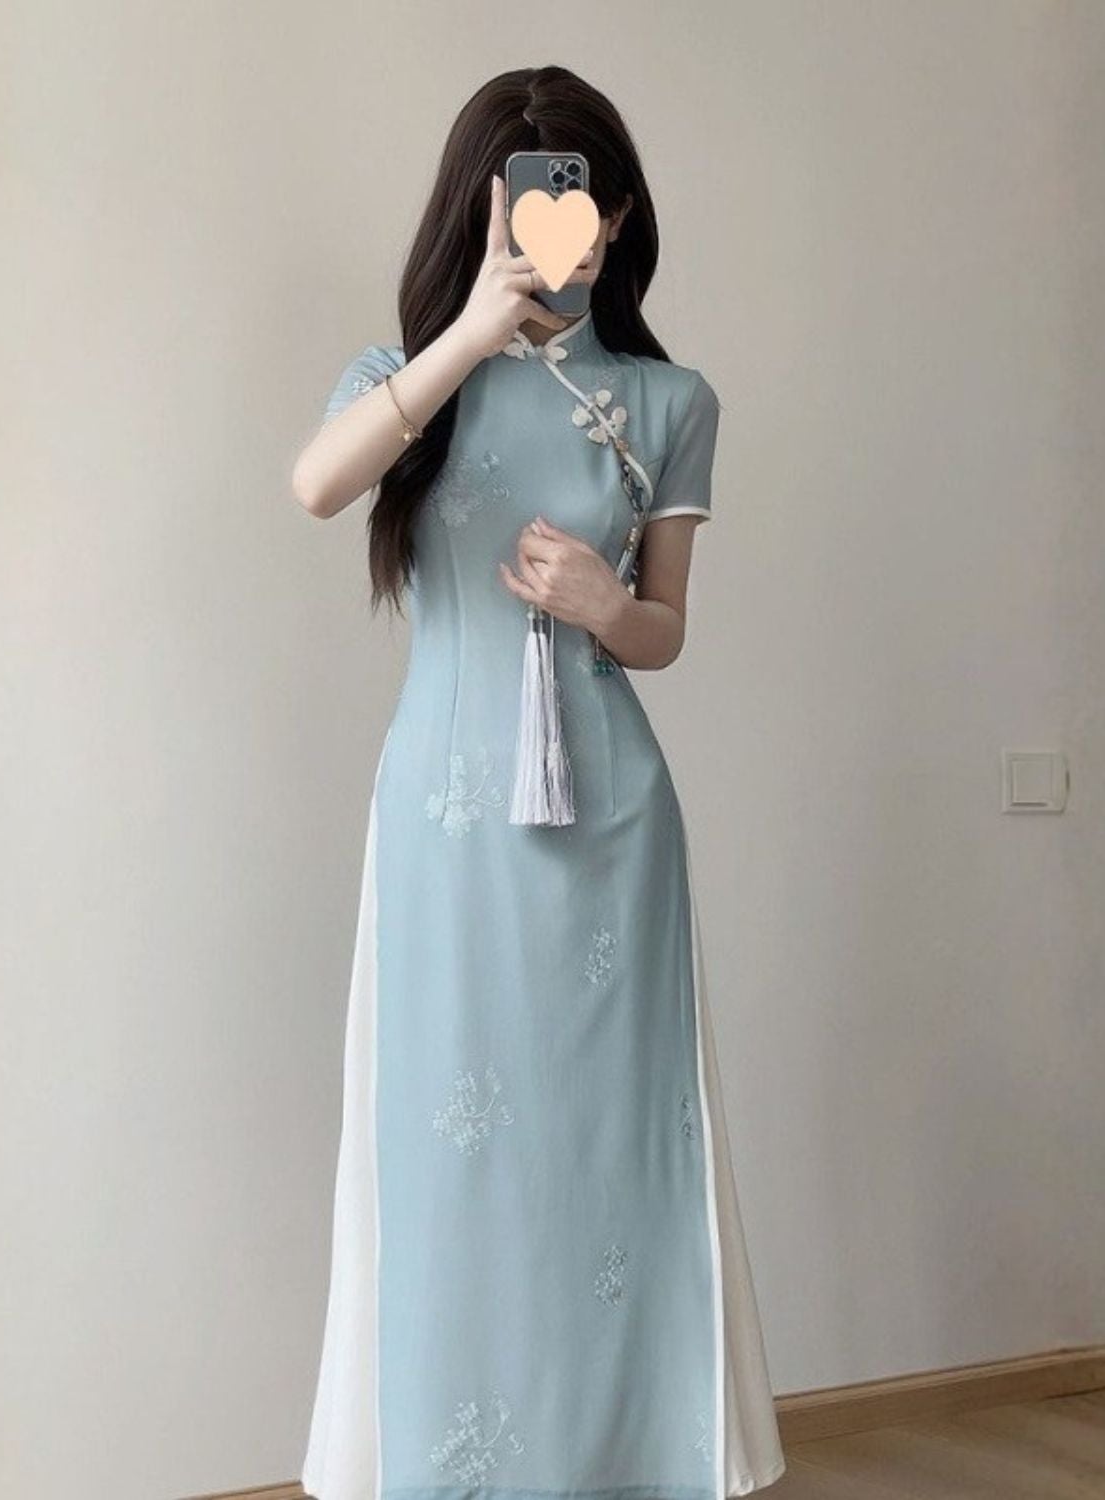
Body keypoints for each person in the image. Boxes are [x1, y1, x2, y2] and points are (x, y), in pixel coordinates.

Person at [293, 64, 786, 1500]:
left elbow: (667, 634)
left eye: (584, 200)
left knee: (603, 1151)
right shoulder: (402, 382)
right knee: (452, 1155)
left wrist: (596, 604)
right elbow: (318, 485)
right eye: (522, 201)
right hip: (444, 834)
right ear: (479, 211)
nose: (558, 224)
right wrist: (470, 331)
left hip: (614, 831)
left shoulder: (668, 398)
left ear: (620, 217)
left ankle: (624, 1457)